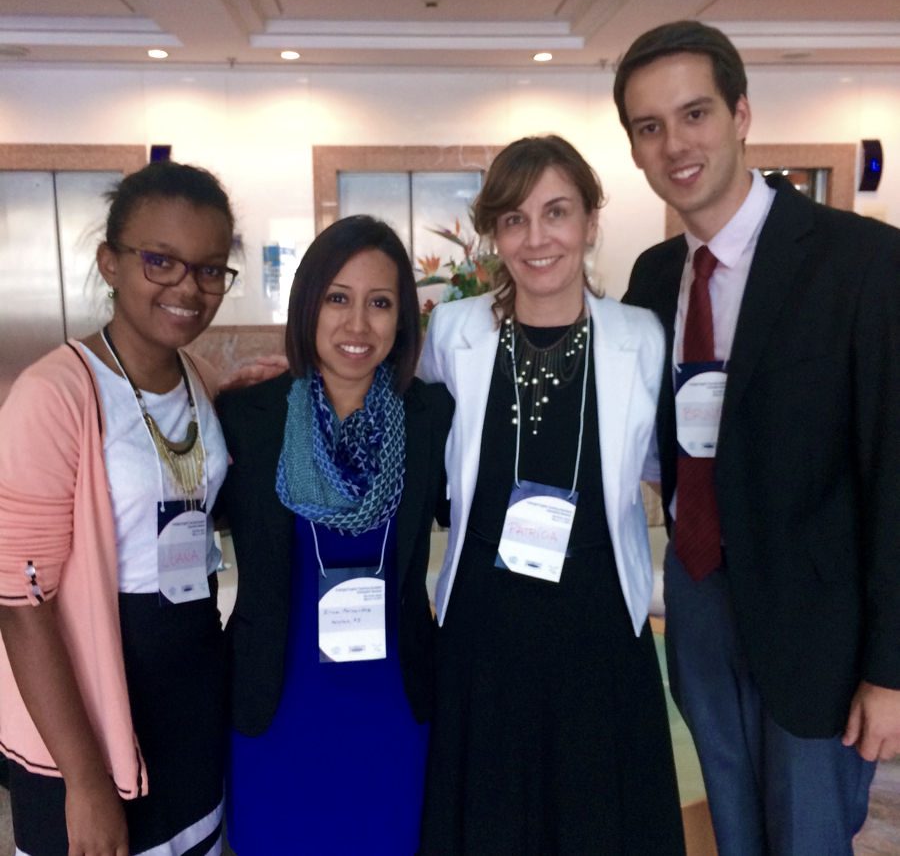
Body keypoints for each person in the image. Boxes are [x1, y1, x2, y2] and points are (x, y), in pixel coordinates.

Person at [616, 20, 900, 854]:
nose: (675, 144)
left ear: (742, 113)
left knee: (808, 839)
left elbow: (895, 475)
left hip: (820, 630)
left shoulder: (862, 263)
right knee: (734, 835)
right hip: (698, 609)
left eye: (694, 114)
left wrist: (890, 667)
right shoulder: (654, 276)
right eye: (649, 127)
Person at [418, 135, 685, 854]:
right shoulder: (451, 333)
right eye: (514, 219)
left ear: (591, 222)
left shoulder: (643, 338)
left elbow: (666, 464)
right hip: (484, 620)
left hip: (597, 623)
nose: (537, 239)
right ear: (495, 234)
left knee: (599, 815)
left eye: (557, 213)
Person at [0, 160, 238, 855]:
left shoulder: (195, 377)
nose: (186, 287)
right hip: (96, 704)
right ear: (110, 261)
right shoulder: (55, 394)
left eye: (209, 269)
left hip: (189, 686)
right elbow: (19, 601)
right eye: (159, 260)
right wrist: (85, 780)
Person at [218, 215, 453, 855]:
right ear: (307, 306)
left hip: (391, 711)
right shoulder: (248, 416)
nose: (357, 325)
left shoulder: (431, 417)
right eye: (337, 299)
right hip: (279, 706)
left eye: (379, 303)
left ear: (403, 317)